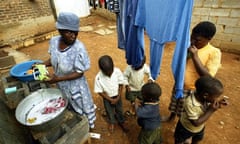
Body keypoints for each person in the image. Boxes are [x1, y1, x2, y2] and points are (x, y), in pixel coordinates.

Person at [41, 12, 96, 129]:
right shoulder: (54, 41)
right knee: (68, 107)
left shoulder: (78, 48)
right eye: (68, 32)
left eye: (75, 32)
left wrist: (58, 79)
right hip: (62, 86)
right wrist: (43, 64)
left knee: (81, 107)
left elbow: (80, 72)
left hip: (76, 87)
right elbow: (54, 59)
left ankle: (87, 127)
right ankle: (77, 126)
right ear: (60, 31)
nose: (73, 36)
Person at [163, 21, 222, 122]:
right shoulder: (189, 46)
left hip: (194, 89)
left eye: (197, 40)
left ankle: (181, 124)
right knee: (176, 102)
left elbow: (208, 77)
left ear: (209, 39)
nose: (193, 42)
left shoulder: (214, 52)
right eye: (192, 38)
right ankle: (172, 116)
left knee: (186, 110)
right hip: (181, 83)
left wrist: (195, 56)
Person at [174, 76, 227, 144]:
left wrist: (218, 103)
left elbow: (208, 106)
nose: (217, 99)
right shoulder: (190, 103)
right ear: (205, 95)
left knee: (197, 140)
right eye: (216, 97)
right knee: (179, 140)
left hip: (199, 129)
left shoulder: (203, 97)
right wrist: (211, 110)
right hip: (185, 128)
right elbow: (196, 123)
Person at [94, 55, 128, 133]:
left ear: (113, 66)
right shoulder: (98, 78)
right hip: (107, 98)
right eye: (106, 73)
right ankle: (112, 122)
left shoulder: (117, 71)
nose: (109, 74)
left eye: (111, 71)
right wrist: (110, 99)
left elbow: (120, 84)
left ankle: (121, 120)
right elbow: (99, 91)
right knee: (109, 111)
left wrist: (118, 97)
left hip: (117, 96)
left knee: (119, 109)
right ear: (101, 70)